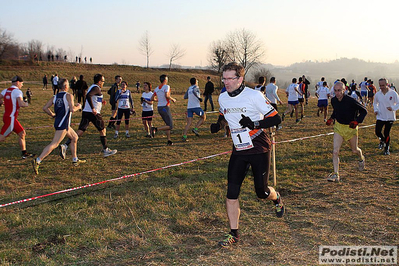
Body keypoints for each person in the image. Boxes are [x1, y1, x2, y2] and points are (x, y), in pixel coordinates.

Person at [210, 62, 284, 248]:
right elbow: (223, 114)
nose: (225, 82)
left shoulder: (254, 95)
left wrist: (255, 124)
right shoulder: (223, 97)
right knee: (231, 193)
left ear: (240, 79)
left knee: (261, 192)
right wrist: (219, 125)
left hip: (258, 146)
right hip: (239, 149)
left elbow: (276, 118)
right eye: (224, 78)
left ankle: (276, 198)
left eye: (229, 78)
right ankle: (234, 233)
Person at [32, 79, 85, 174]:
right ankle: (38, 160)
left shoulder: (55, 97)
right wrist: (79, 106)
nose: (69, 86)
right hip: (63, 124)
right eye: (68, 84)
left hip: (59, 122)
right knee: (54, 144)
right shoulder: (69, 95)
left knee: (74, 137)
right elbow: (72, 109)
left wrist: (52, 115)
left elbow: (45, 108)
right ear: (65, 86)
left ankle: (75, 159)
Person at [59, 74, 117, 158]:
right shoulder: (95, 88)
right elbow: (88, 95)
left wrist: (101, 101)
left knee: (80, 131)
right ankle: (106, 150)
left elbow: (93, 97)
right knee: (103, 130)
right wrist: (93, 108)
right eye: (103, 81)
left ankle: (65, 146)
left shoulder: (93, 87)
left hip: (86, 112)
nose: (103, 83)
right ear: (99, 82)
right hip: (93, 113)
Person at [325, 81, 367, 182]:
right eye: (335, 90)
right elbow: (336, 110)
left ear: (344, 90)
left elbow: (364, 111)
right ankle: (336, 174)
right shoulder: (334, 100)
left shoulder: (351, 101)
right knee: (335, 152)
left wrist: (357, 121)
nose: (337, 93)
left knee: (354, 150)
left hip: (350, 128)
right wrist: (331, 118)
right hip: (339, 127)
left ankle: (361, 158)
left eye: (339, 90)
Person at [0, 76, 34, 159]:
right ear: (18, 82)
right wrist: (26, 103)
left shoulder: (6, 90)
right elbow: (21, 104)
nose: (22, 85)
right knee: (2, 138)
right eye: (22, 83)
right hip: (11, 118)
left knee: (22, 133)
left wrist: (1, 102)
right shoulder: (17, 92)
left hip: (8, 117)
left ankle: (24, 153)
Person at [373, 78, 399, 155]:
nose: (381, 87)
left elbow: (398, 103)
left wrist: (393, 108)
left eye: (383, 85)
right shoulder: (378, 94)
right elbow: (375, 103)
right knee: (377, 131)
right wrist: (376, 110)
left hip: (390, 117)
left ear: (387, 84)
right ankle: (382, 140)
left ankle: (386, 148)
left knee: (386, 132)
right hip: (380, 116)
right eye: (380, 85)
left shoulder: (393, 93)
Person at [150, 74, 177, 145]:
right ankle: (155, 129)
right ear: (165, 80)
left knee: (167, 124)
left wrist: (158, 100)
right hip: (165, 107)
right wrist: (173, 99)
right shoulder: (166, 86)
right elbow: (167, 95)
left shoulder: (157, 88)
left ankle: (169, 140)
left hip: (159, 107)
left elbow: (152, 98)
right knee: (170, 126)